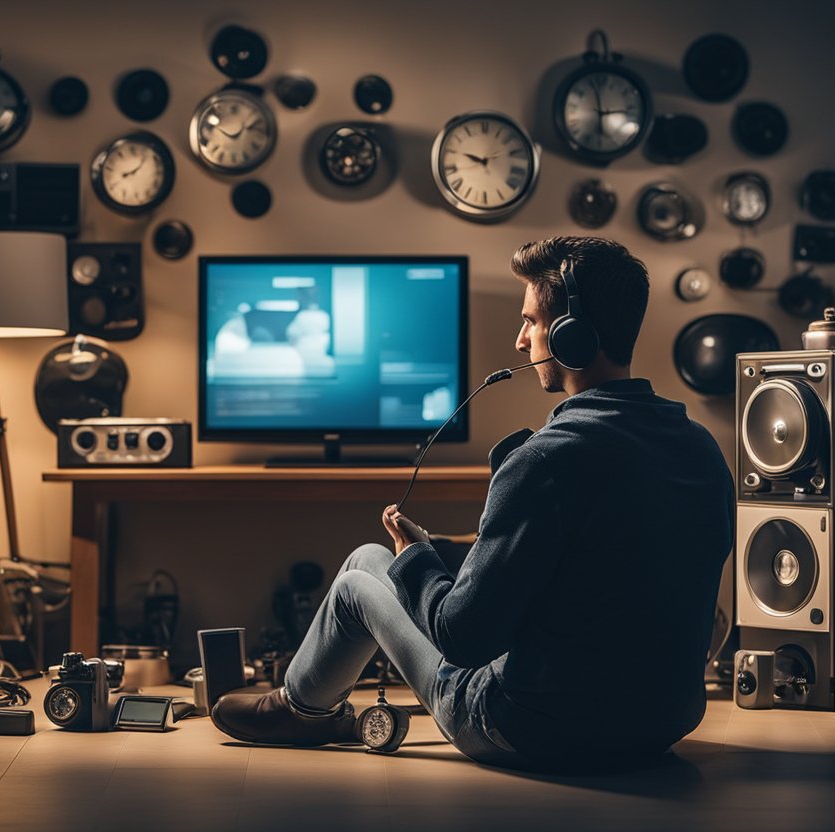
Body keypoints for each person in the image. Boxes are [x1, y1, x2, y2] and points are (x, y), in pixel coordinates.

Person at [211, 236, 735, 771]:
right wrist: (456, 548)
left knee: (361, 571)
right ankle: (307, 706)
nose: (519, 340)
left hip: (530, 729)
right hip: (656, 726)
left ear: (571, 336)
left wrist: (415, 557)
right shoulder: (700, 449)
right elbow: (599, 561)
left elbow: (462, 638)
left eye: (530, 321)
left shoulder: (546, 460)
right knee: (388, 561)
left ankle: (301, 710)